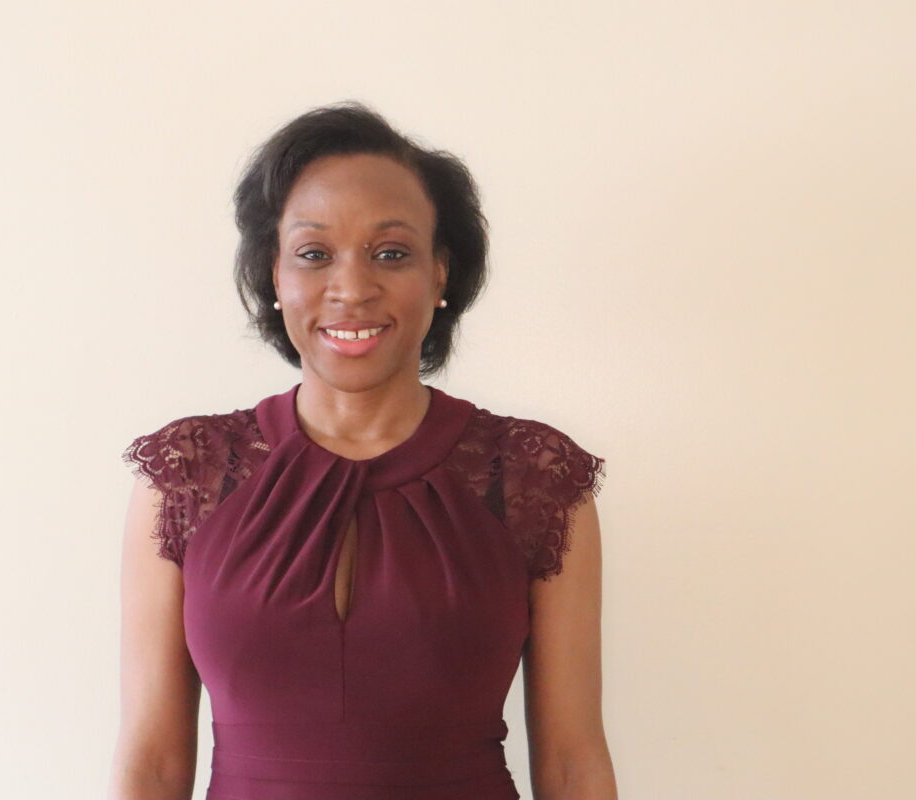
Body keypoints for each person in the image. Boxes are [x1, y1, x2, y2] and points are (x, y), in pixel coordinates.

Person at [107, 101, 617, 800]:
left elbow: (571, 764)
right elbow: (152, 764)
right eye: (314, 254)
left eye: (391, 253)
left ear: (441, 273)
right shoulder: (188, 476)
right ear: (274, 275)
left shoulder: (534, 479)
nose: (351, 288)